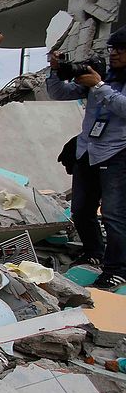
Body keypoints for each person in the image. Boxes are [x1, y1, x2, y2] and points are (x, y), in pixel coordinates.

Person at [46, 26, 126, 290]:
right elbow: (59, 94)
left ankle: (117, 269)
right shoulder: (104, 78)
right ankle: (94, 252)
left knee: (114, 214)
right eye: (112, 49)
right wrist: (57, 71)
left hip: (118, 153)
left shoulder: (102, 83)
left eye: (120, 50)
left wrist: (100, 86)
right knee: (81, 209)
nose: (114, 54)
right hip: (88, 150)